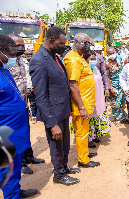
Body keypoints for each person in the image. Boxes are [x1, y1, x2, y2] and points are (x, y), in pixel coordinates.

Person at [30, 27, 80, 186]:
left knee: (65, 143)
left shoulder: (54, 56)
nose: (64, 46)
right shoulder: (38, 60)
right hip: (53, 113)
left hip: (63, 110)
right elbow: (40, 95)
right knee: (56, 145)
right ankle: (58, 174)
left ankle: (64, 167)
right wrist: (51, 124)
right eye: (61, 43)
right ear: (51, 41)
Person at [0, 34, 37, 199]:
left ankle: (16, 191)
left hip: (17, 131)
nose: (14, 57)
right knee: (7, 170)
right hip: (5, 133)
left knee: (14, 170)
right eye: (11, 53)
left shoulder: (3, 70)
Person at [8, 34, 45, 176]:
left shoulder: (21, 60)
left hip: (23, 102)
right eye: (18, 45)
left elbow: (26, 77)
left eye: (22, 45)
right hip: (11, 105)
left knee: (25, 131)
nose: (21, 48)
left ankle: (29, 156)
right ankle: (21, 163)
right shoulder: (6, 63)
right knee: (15, 135)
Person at [63, 33, 100, 168]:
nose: (87, 45)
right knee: (81, 132)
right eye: (84, 42)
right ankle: (83, 160)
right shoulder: (73, 60)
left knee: (84, 131)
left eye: (88, 43)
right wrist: (82, 107)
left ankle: (84, 152)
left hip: (85, 102)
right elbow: (73, 86)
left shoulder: (79, 57)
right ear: (75, 42)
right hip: (80, 105)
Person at [80, 50, 111, 148]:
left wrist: (105, 90)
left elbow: (101, 78)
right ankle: (88, 139)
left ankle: (94, 136)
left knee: (96, 115)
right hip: (88, 98)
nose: (93, 61)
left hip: (98, 97)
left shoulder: (95, 69)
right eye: (91, 59)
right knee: (89, 117)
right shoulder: (83, 70)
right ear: (85, 59)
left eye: (94, 59)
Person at [105, 47, 128, 126]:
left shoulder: (120, 60)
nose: (112, 55)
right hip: (113, 85)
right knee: (115, 103)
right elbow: (107, 77)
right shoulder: (107, 63)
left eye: (113, 53)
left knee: (122, 101)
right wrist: (110, 88)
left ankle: (123, 116)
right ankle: (117, 118)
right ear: (107, 54)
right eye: (110, 54)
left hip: (121, 84)